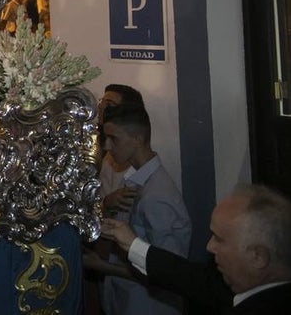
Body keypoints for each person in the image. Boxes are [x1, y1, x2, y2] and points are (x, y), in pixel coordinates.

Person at [102, 184, 291, 313]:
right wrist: (131, 243)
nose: (209, 246)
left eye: (219, 239)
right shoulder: (236, 286)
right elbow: (185, 275)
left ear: (257, 256)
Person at [87, 104, 191, 314]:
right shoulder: (138, 180)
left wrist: (101, 266)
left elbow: (166, 270)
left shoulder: (157, 194)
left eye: (114, 138)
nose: (107, 146)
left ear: (138, 139)